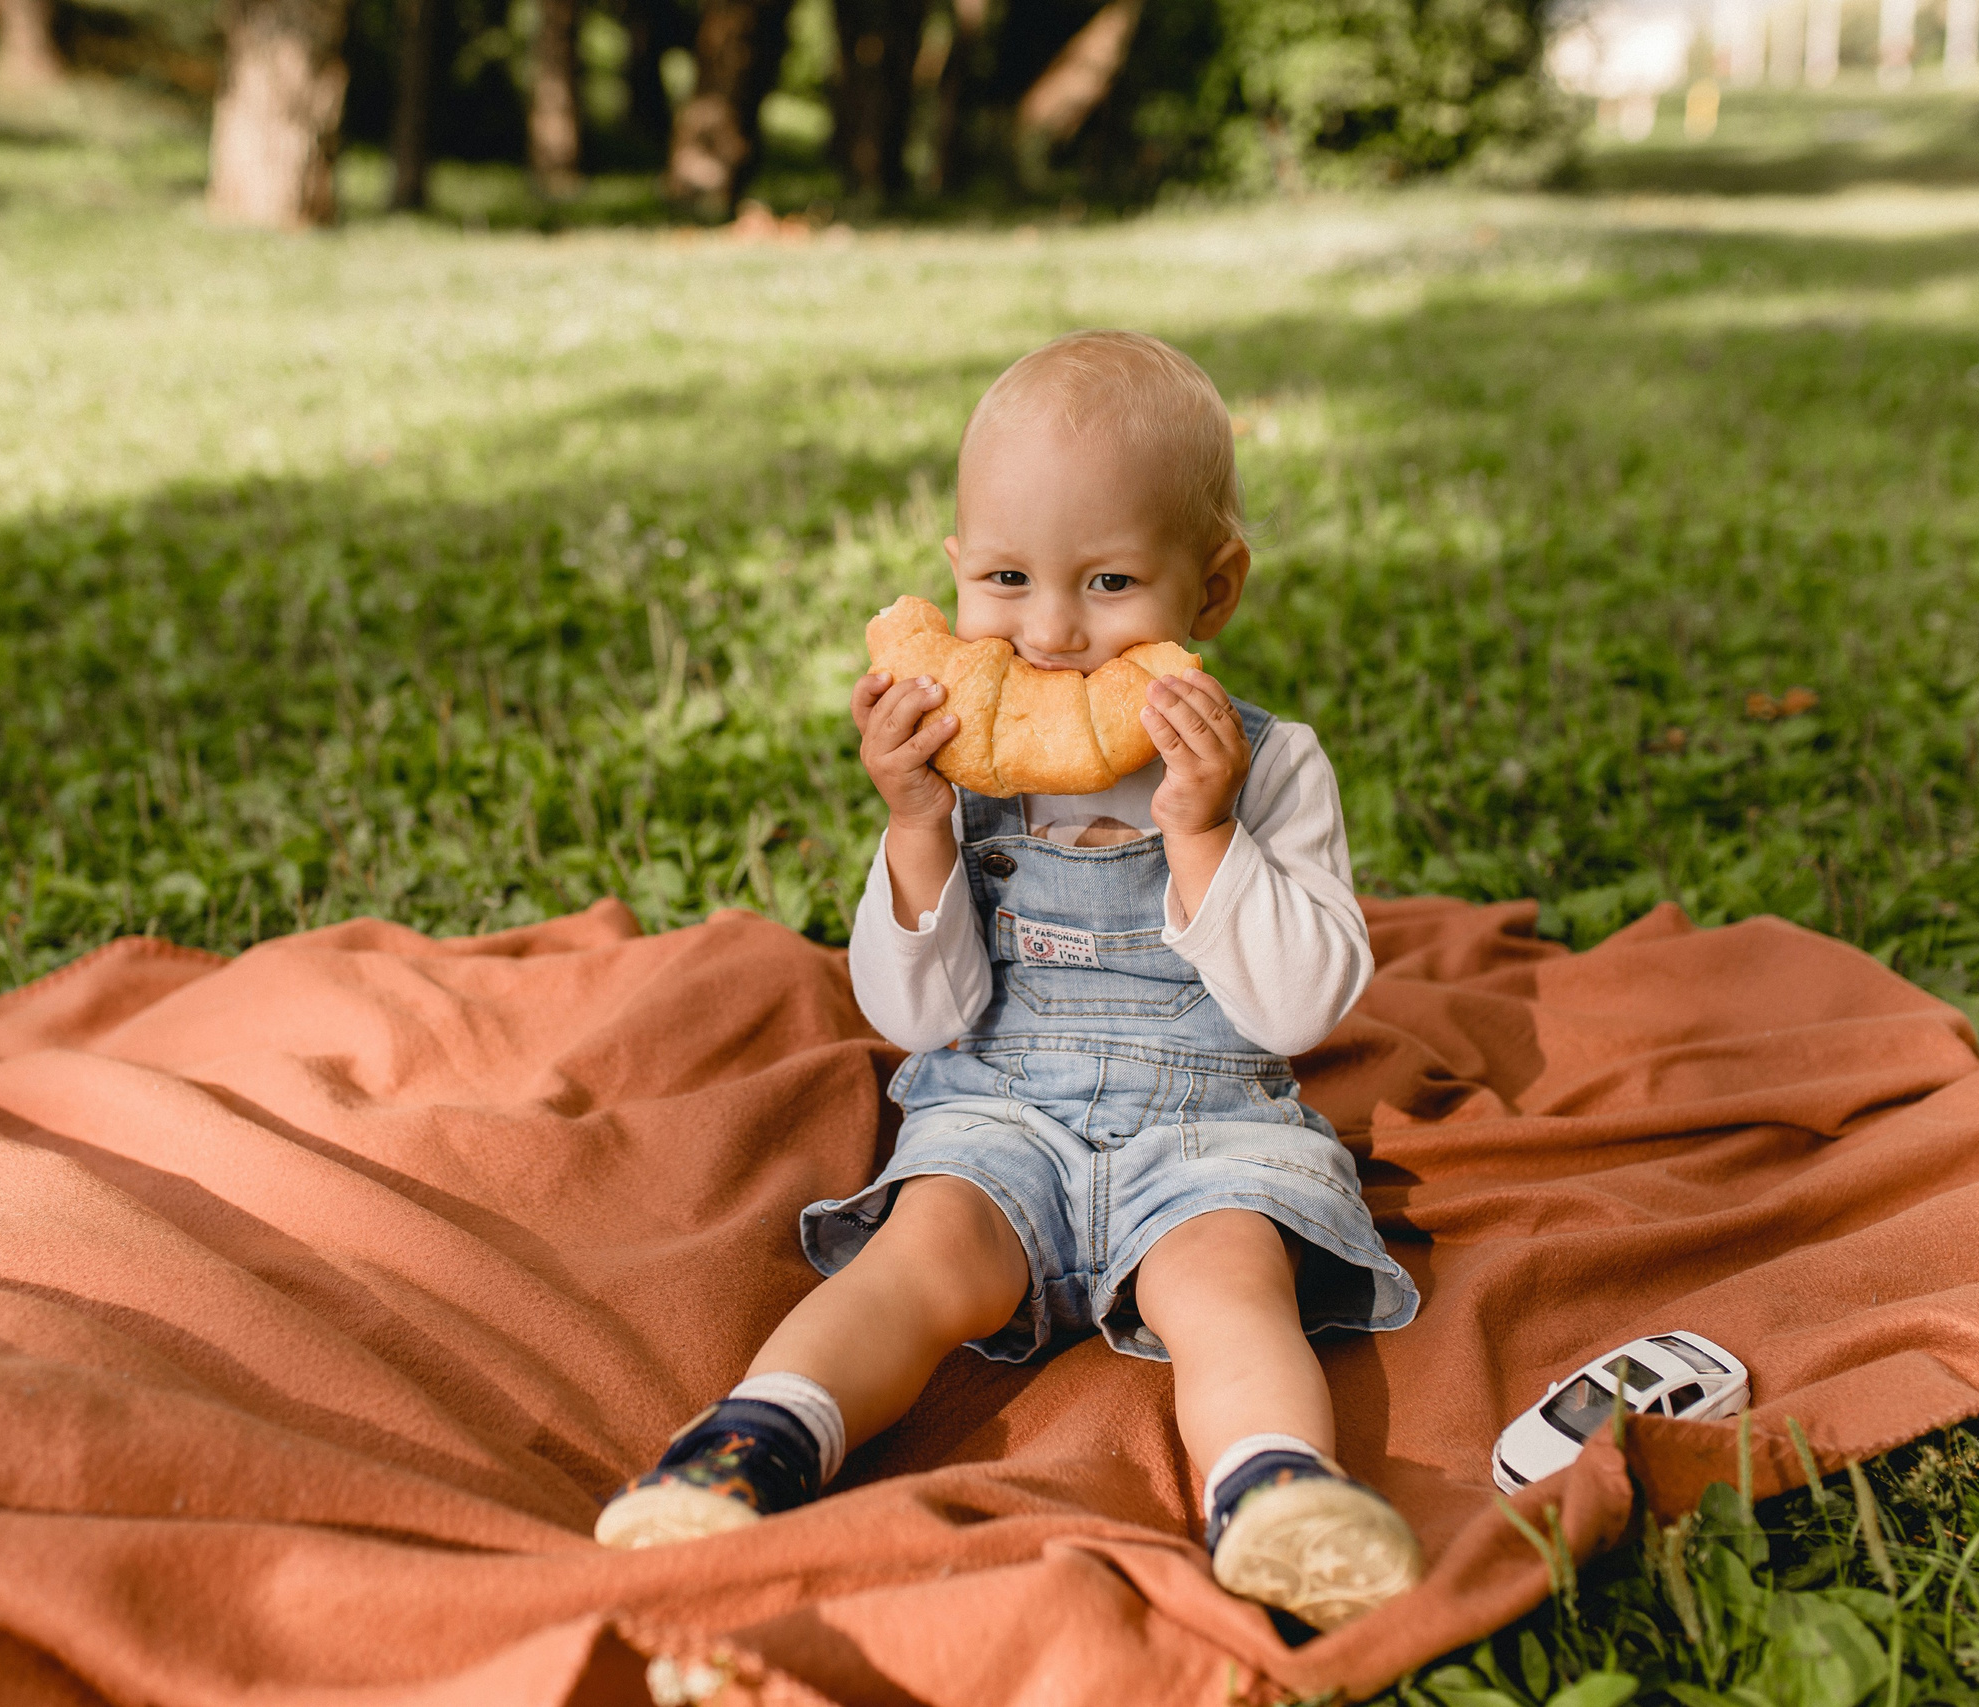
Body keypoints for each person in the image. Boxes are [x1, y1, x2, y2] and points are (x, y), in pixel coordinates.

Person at [592, 330, 1424, 1630]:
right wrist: (916, 827)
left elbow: (1302, 1009)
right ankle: (750, 1443)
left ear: (1214, 590)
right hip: (1002, 1108)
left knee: (1228, 1281)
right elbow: (917, 1016)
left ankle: (1278, 1493)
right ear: (952, 577)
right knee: (916, 1259)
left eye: (1107, 581)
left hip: (1209, 1124)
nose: (1048, 632)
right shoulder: (958, 773)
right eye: (1006, 579)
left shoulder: (1267, 767)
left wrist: (1205, 836)